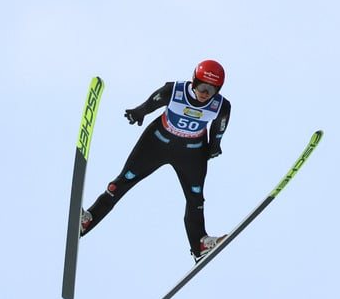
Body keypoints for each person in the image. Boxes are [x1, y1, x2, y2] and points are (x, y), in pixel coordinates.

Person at [81, 59, 231, 262]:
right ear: (194, 81)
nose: (205, 93)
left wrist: (214, 146)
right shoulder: (175, 90)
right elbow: (152, 102)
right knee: (123, 181)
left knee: (196, 198)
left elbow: (219, 129)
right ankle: (87, 220)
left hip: (192, 152)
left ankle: (199, 244)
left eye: (212, 90)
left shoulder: (221, 105)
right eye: (202, 86)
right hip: (157, 143)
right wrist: (138, 113)